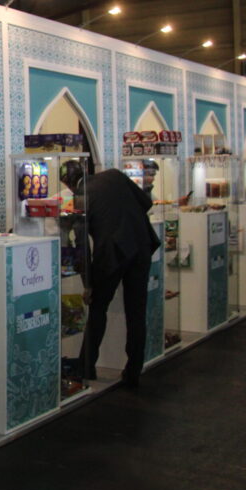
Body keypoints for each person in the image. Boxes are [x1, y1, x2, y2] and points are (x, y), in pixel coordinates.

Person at [60, 160, 160, 388]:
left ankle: (86, 367)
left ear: (67, 183)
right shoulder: (115, 175)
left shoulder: (81, 196)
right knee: (137, 312)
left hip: (112, 253)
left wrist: (88, 284)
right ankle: (133, 372)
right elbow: (146, 202)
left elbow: (82, 245)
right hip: (142, 246)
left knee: (98, 309)